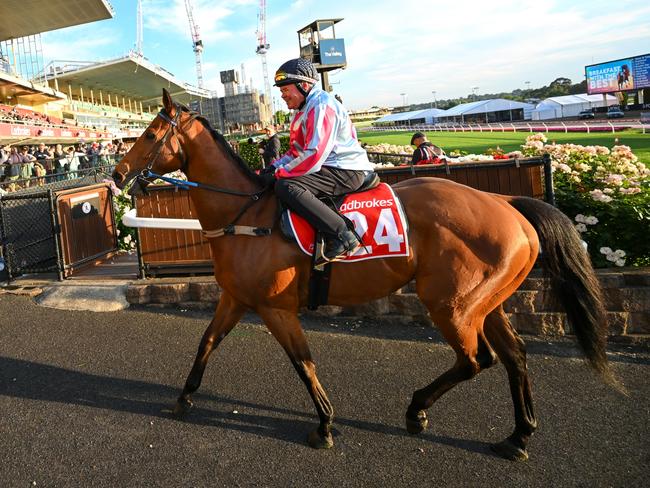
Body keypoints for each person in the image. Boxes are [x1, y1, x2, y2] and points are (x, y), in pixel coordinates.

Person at [261, 58, 374, 263]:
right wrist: (272, 168)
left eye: (285, 89)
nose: (282, 95)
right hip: (329, 168)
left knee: (286, 187)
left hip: (345, 170)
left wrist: (279, 174)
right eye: (281, 90)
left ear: (304, 86)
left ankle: (343, 236)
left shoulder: (321, 105)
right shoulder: (301, 111)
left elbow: (313, 155)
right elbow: (295, 153)